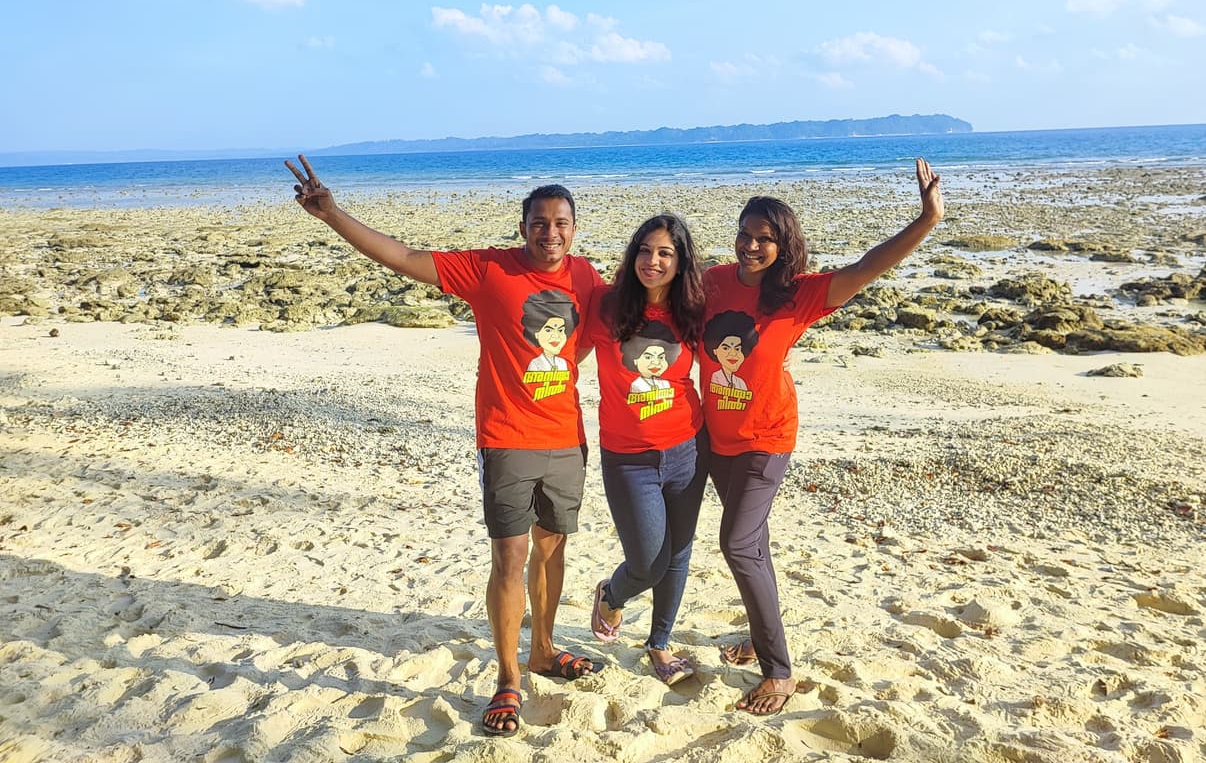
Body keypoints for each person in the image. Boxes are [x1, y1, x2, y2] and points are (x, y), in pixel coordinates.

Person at [283, 155, 603, 738]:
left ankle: (543, 650)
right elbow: (405, 257)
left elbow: (619, 322)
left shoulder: (586, 277)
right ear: (523, 226)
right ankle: (508, 677)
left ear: (574, 229)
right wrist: (332, 215)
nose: (550, 233)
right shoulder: (488, 270)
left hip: (567, 438)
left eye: (560, 223)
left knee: (552, 549)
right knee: (510, 556)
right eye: (539, 222)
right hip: (506, 438)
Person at [700, 158, 944, 715]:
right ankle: (761, 636)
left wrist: (926, 221)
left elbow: (867, 267)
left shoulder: (799, 295)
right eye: (745, 234)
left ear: (784, 246)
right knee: (753, 546)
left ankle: (778, 672)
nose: (751, 246)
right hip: (717, 439)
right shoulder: (713, 282)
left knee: (736, 544)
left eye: (764, 239)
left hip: (767, 438)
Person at [579, 214, 707, 685]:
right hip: (627, 458)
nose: (653, 261)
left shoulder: (694, 310)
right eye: (645, 250)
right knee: (647, 563)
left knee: (678, 553)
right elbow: (564, 355)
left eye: (665, 253)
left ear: (681, 262)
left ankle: (659, 643)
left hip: (688, 449)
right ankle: (612, 596)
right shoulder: (605, 307)